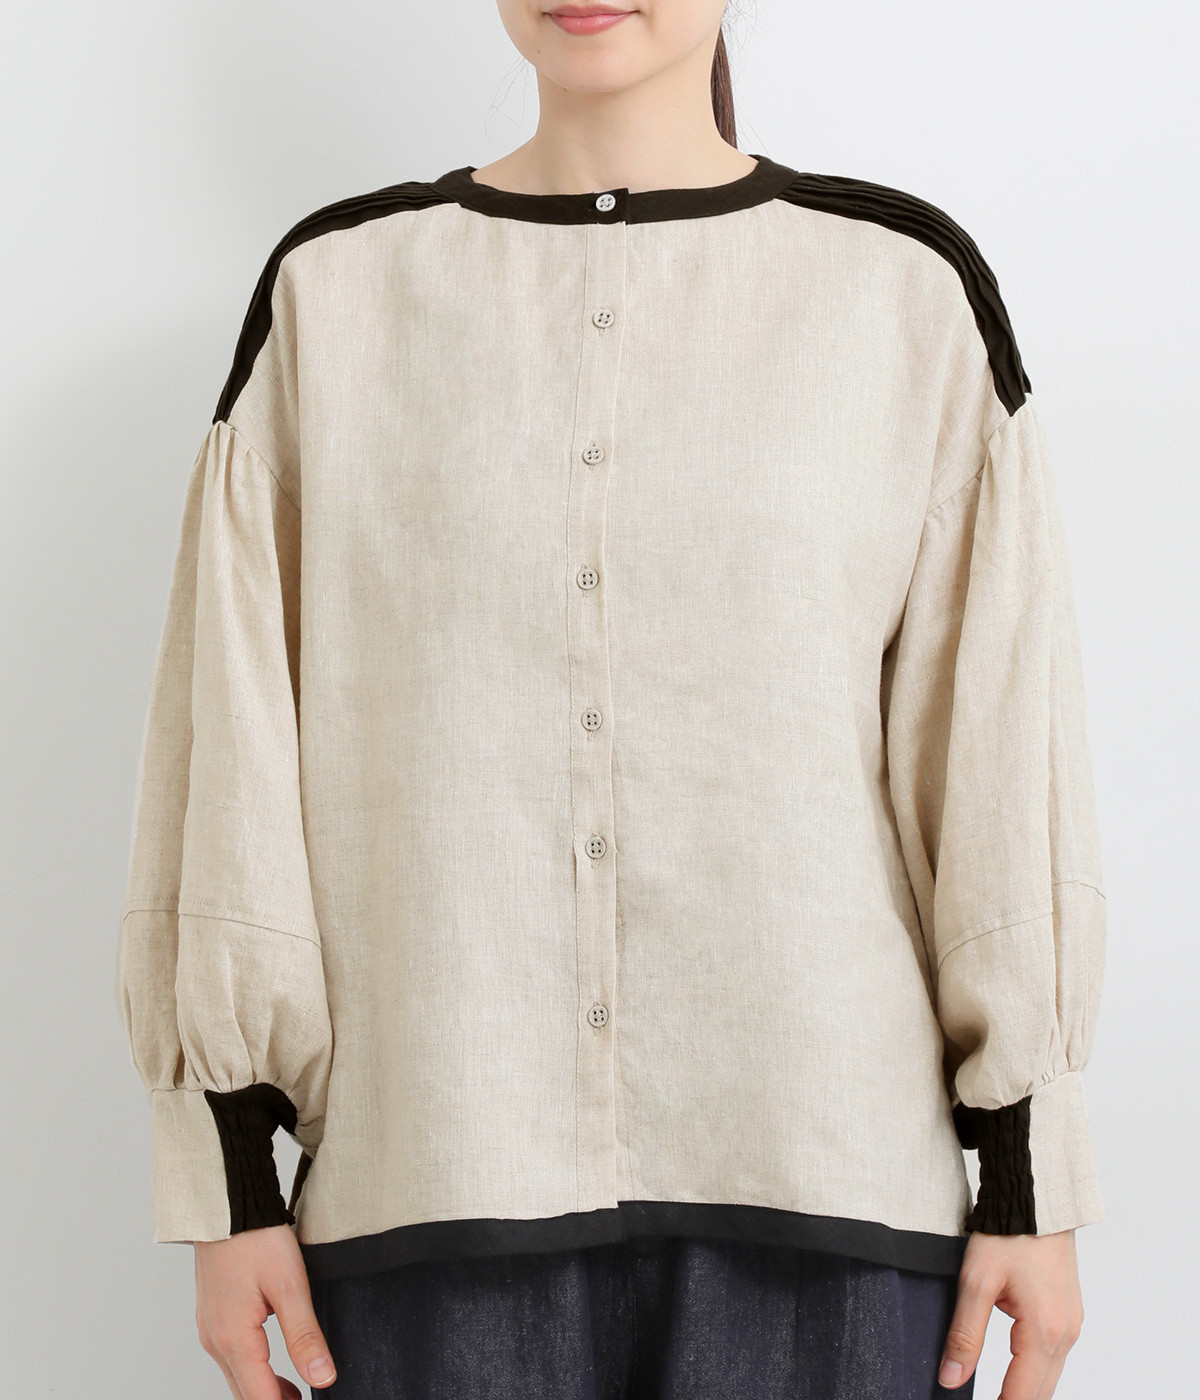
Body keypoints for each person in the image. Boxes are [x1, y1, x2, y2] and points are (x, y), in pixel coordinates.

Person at [115, 3, 1107, 1398]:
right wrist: (228, 1179)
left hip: (827, 1189)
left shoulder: (902, 293)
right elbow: (228, 751)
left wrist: (1029, 1172)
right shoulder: (333, 297)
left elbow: (997, 758)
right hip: (436, 1180)